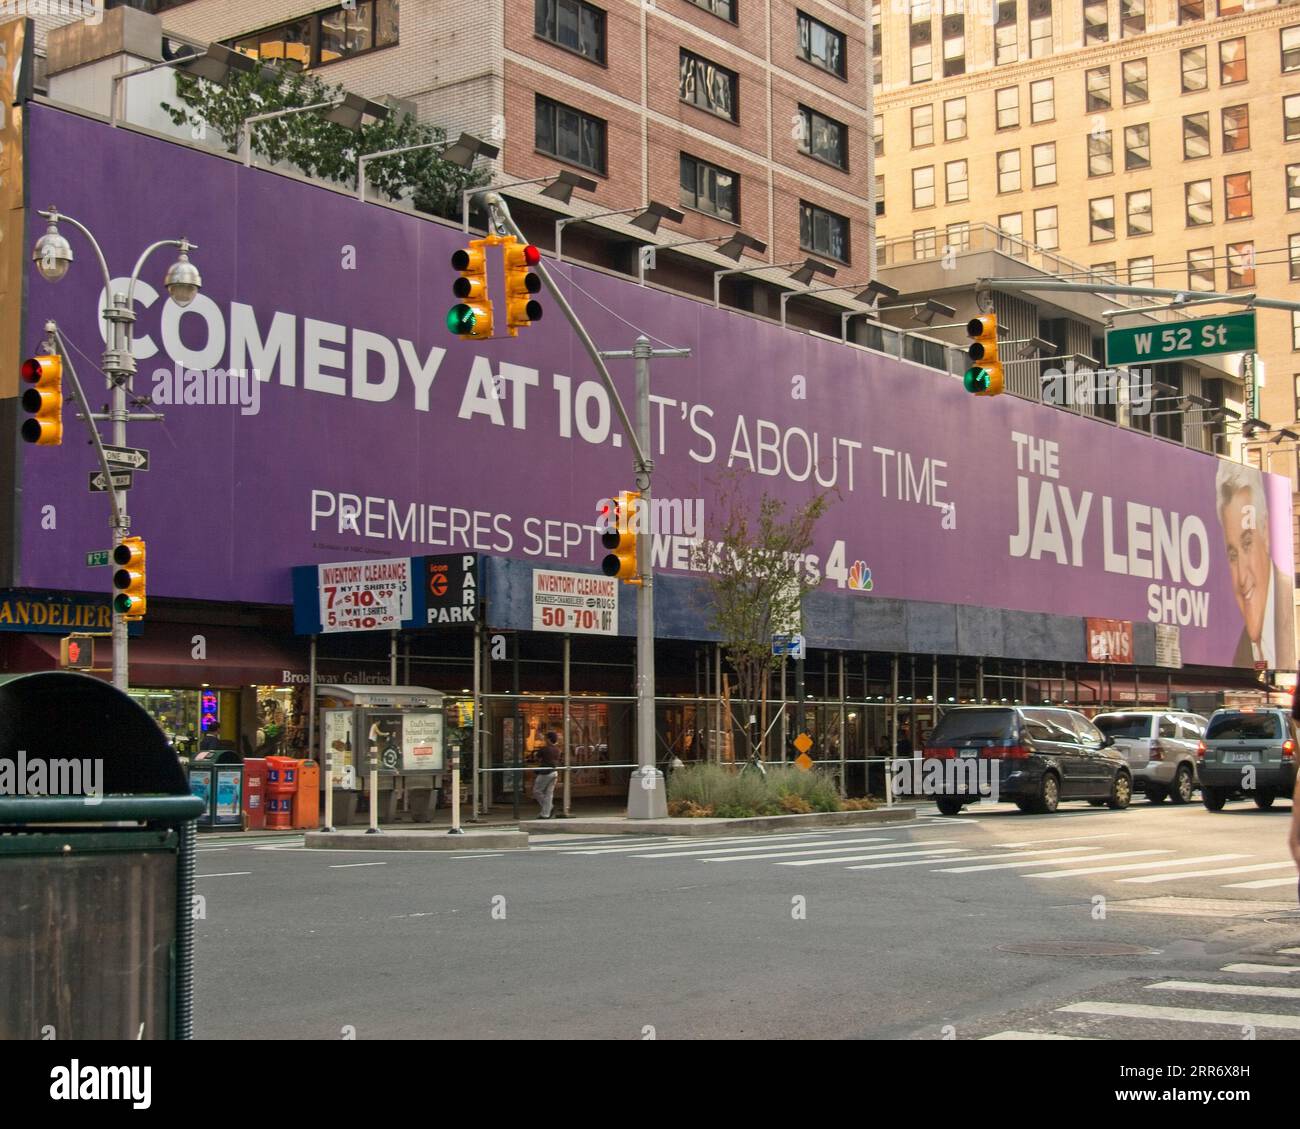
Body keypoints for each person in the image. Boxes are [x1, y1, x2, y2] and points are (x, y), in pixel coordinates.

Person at [1216, 460, 1296, 671]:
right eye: (1232, 555)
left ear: (1266, 532)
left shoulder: (1287, 605)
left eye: (1247, 543)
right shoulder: (1237, 655)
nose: (1242, 578)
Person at [532, 730, 561, 819]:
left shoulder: (544, 749)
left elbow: (536, 757)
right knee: (549, 793)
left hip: (545, 772)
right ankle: (545, 813)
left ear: (548, 739)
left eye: (546, 738)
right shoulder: (557, 750)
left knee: (537, 791)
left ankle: (549, 808)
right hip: (554, 772)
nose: (544, 739)